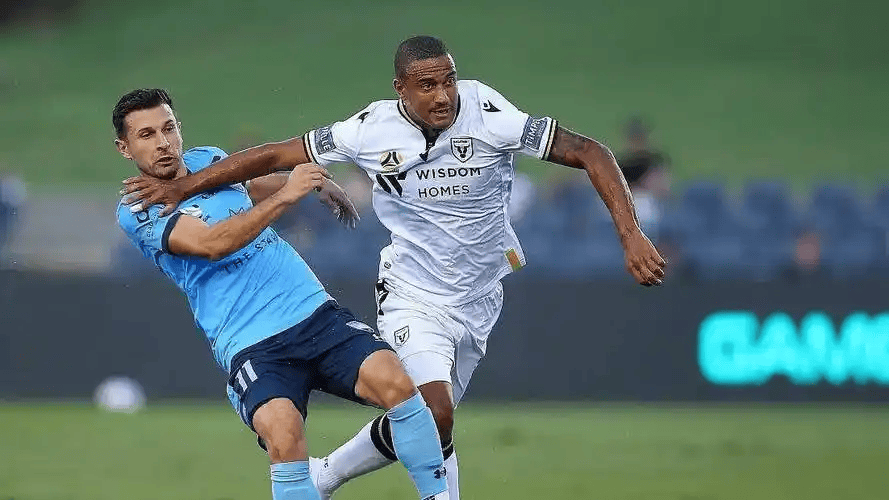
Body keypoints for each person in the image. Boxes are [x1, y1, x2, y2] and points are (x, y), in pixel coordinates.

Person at [121, 36, 667, 499]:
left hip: (473, 294)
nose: (443, 95)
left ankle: (327, 475)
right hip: (404, 294)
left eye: (448, 81)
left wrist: (631, 233)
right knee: (421, 412)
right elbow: (230, 220)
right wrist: (252, 191)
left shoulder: (488, 113)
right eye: (427, 85)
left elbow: (590, 151)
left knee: (425, 414)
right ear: (400, 89)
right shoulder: (368, 129)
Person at [112, 88, 449, 500]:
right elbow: (213, 243)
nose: (163, 143)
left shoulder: (209, 160)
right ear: (124, 148)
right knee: (284, 435)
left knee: (397, 384)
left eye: (168, 128)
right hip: (250, 341)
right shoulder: (137, 209)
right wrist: (289, 194)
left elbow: (249, 187)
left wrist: (311, 185)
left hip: (312, 312)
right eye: (146, 135)